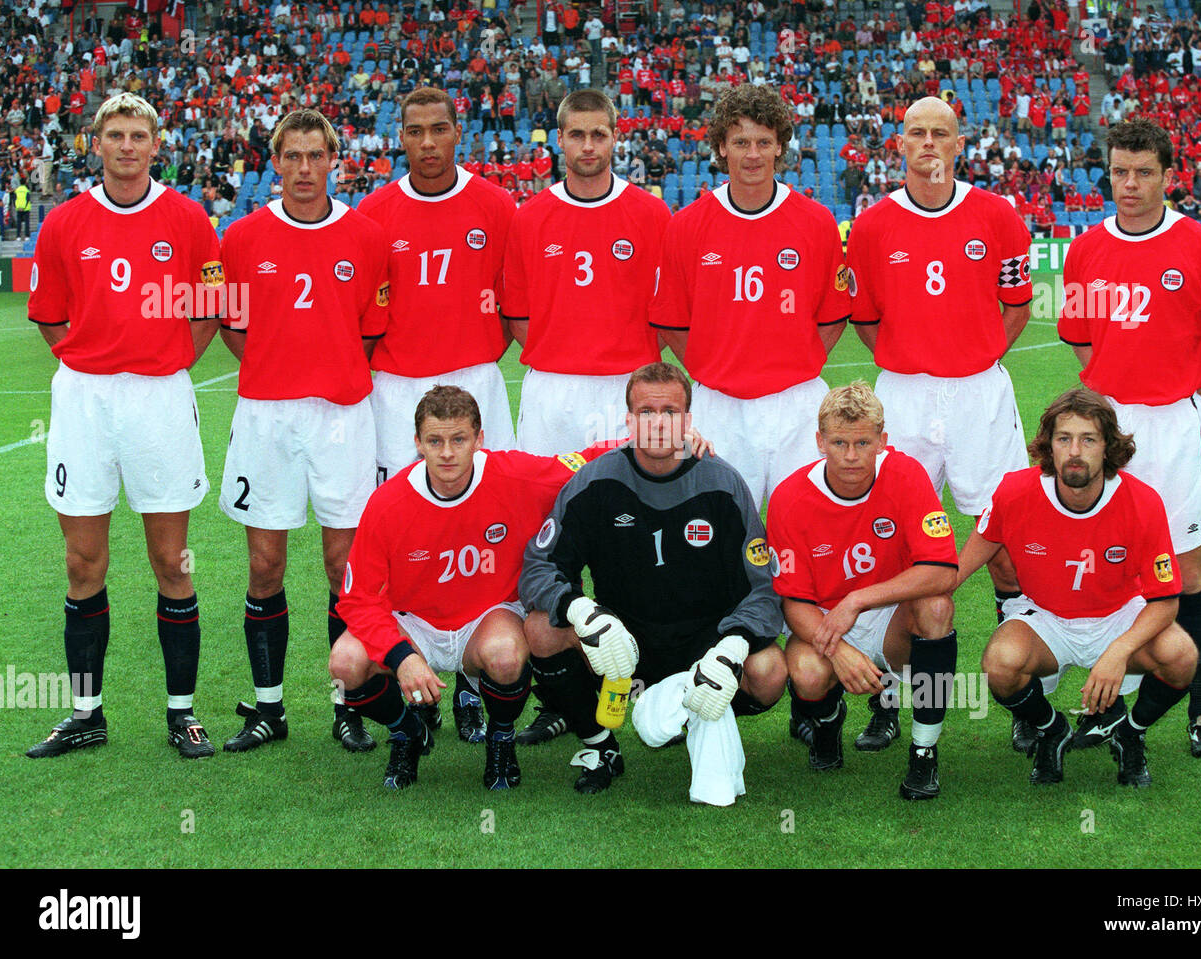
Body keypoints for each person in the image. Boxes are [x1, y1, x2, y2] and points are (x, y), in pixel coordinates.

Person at [25, 92, 221, 760]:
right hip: (84, 401)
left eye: (139, 134)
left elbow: (211, 305)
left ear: (157, 144)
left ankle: (182, 712)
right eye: (115, 134)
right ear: (96, 143)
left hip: (159, 401)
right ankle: (85, 713)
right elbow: (51, 315)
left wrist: (165, 366)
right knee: (83, 561)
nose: (128, 146)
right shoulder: (64, 222)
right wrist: (89, 366)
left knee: (172, 560)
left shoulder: (188, 218)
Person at [843, 95, 1034, 746]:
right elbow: (866, 320)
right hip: (902, 396)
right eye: (916, 133)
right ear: (898, 145)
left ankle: (1023, 696)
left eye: (940, 134)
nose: (928, 143)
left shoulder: (997, 215)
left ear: (960, 145)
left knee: (1006, 538)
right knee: (896, 543)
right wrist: (913, 366)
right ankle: (889, 697)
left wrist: (973, 361)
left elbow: (1016, 305)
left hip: (980, 394)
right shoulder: (870, 227)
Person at [1057, 118, 1201, 759]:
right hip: (1106, 423)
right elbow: (1082, 337)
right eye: (1119, 171)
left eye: (1143, 172)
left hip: (1174, 424)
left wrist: (1189, 395)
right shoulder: (1085, 249)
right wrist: (1113, 406)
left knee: (1187, 568)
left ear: (1169, 176)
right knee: (1115, 562)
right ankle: (1110, 712)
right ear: (1107, 173)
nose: (1130, 184)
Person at [518, 362, 786, 803]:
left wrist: (734, 645)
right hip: (622, 646)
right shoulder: (595, 481)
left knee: (770, 671)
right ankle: (598, 745)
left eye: (670, 412)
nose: (658, 423)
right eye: (645, 412)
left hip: (707, 640)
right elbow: (539, 568)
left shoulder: (723, 483)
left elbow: (762, 588)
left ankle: (698, 707)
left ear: (688, 420)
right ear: (627, 420)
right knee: (542, 629)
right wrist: (581, 610)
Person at [328, 387, 607, 790]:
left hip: (488, 617)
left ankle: (501, 738)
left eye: (459, 440)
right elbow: (357, 599)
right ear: (417, 443)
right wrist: (402, 656)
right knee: (345, 665)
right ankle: (407, 731)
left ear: (479, 440)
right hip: (415, 622)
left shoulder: (515, 475)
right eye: (435, 441)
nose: (446, 453)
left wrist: (668, 439)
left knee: (507, 657)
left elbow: (590, 461)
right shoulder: (387, 503)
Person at [217, 108, 390, 754]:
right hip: (267, 415)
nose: (304, 168)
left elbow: (371, 332)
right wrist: (276, 370)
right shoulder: (240, 239)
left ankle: (350, 702)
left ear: (333, 161)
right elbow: (232, 330)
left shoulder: (367, 238)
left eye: (316, 155)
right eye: (292, 156)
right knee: (265, 562)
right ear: (275, 162)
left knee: (344, 565)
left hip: (344, 416)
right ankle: (269, 708)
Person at [356, 87, 518, 743]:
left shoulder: (495, 205)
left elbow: (514, 301)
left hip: (477, 379)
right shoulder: (374, 211)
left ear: (460, 134)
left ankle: (477, 685)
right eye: (415, 131)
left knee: (486, 526)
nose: (427, 142)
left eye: (439, 129)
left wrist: (475, 358)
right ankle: (410, 675)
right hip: (395, 388)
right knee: (403, 532)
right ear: (401, 137)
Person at [957, 389, 1198, 787]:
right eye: (1063, 438)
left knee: (1181, 655)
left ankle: (1130, 733)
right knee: (1000, 663)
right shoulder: (1014, 491)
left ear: (1108, 447)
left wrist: (1118, 652)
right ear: (1048, 447)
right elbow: (960, 567)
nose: (1074, 451)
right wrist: (927, 597)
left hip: (1118, 616)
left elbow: (1166, 601)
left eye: (1088, 439)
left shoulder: (1142, 502)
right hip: (1046, 618)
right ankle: (1051, 730)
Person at [649, 84, 851, 509]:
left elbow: (833, 316)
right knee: (715, 527)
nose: (753, 154)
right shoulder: (687, 226)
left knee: (799, 524)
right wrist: (714, 368)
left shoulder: (815, 222)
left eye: (763, 142)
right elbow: (670, 320)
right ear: (722, 146)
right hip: (717, 404)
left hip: (796, 402)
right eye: (741, 141)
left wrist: (796, 359)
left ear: (780, 146)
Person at [767, 382, 959, 799]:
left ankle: (924, 751)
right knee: (807, 673)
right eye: (839, 442)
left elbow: (943, 570)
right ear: (819, 442)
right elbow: (793, 601)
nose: (851, 456)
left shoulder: (906, 474)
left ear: (882, 441)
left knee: (937, 609)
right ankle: (827, 719)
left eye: (862, 442)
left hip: (888, 612)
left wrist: (858, 599)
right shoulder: (789, 497)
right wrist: (838, 649)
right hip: (820, 616)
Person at [501, 89, 671, 457]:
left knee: (628, 506)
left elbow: (668, 312)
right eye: (577, 135)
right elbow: (517, 313)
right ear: (559, 139)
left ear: (615, 136)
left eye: (599, 134)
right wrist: (561, 354)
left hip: (627, 384)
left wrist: (626, 354)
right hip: (552, 387)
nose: (588, 145)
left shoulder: (652, 214)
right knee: (546, 502)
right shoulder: (529, 217)